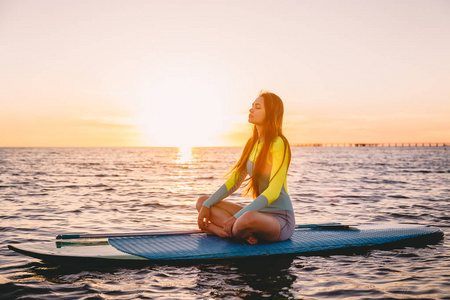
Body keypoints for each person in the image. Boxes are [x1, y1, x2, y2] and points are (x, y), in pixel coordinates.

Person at [196, 91, 295, 244]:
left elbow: (274, 192)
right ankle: (239, 231)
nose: (251, 110)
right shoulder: (251, 143)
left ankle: (221, 231)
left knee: (247, 217)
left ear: (270, 113)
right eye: (252, 106)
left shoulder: (279, 143)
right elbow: (234, 182)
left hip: (280, 220)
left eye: (258, 107)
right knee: (202, 201)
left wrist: (236, 217)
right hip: (259, 213)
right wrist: (207, 205)